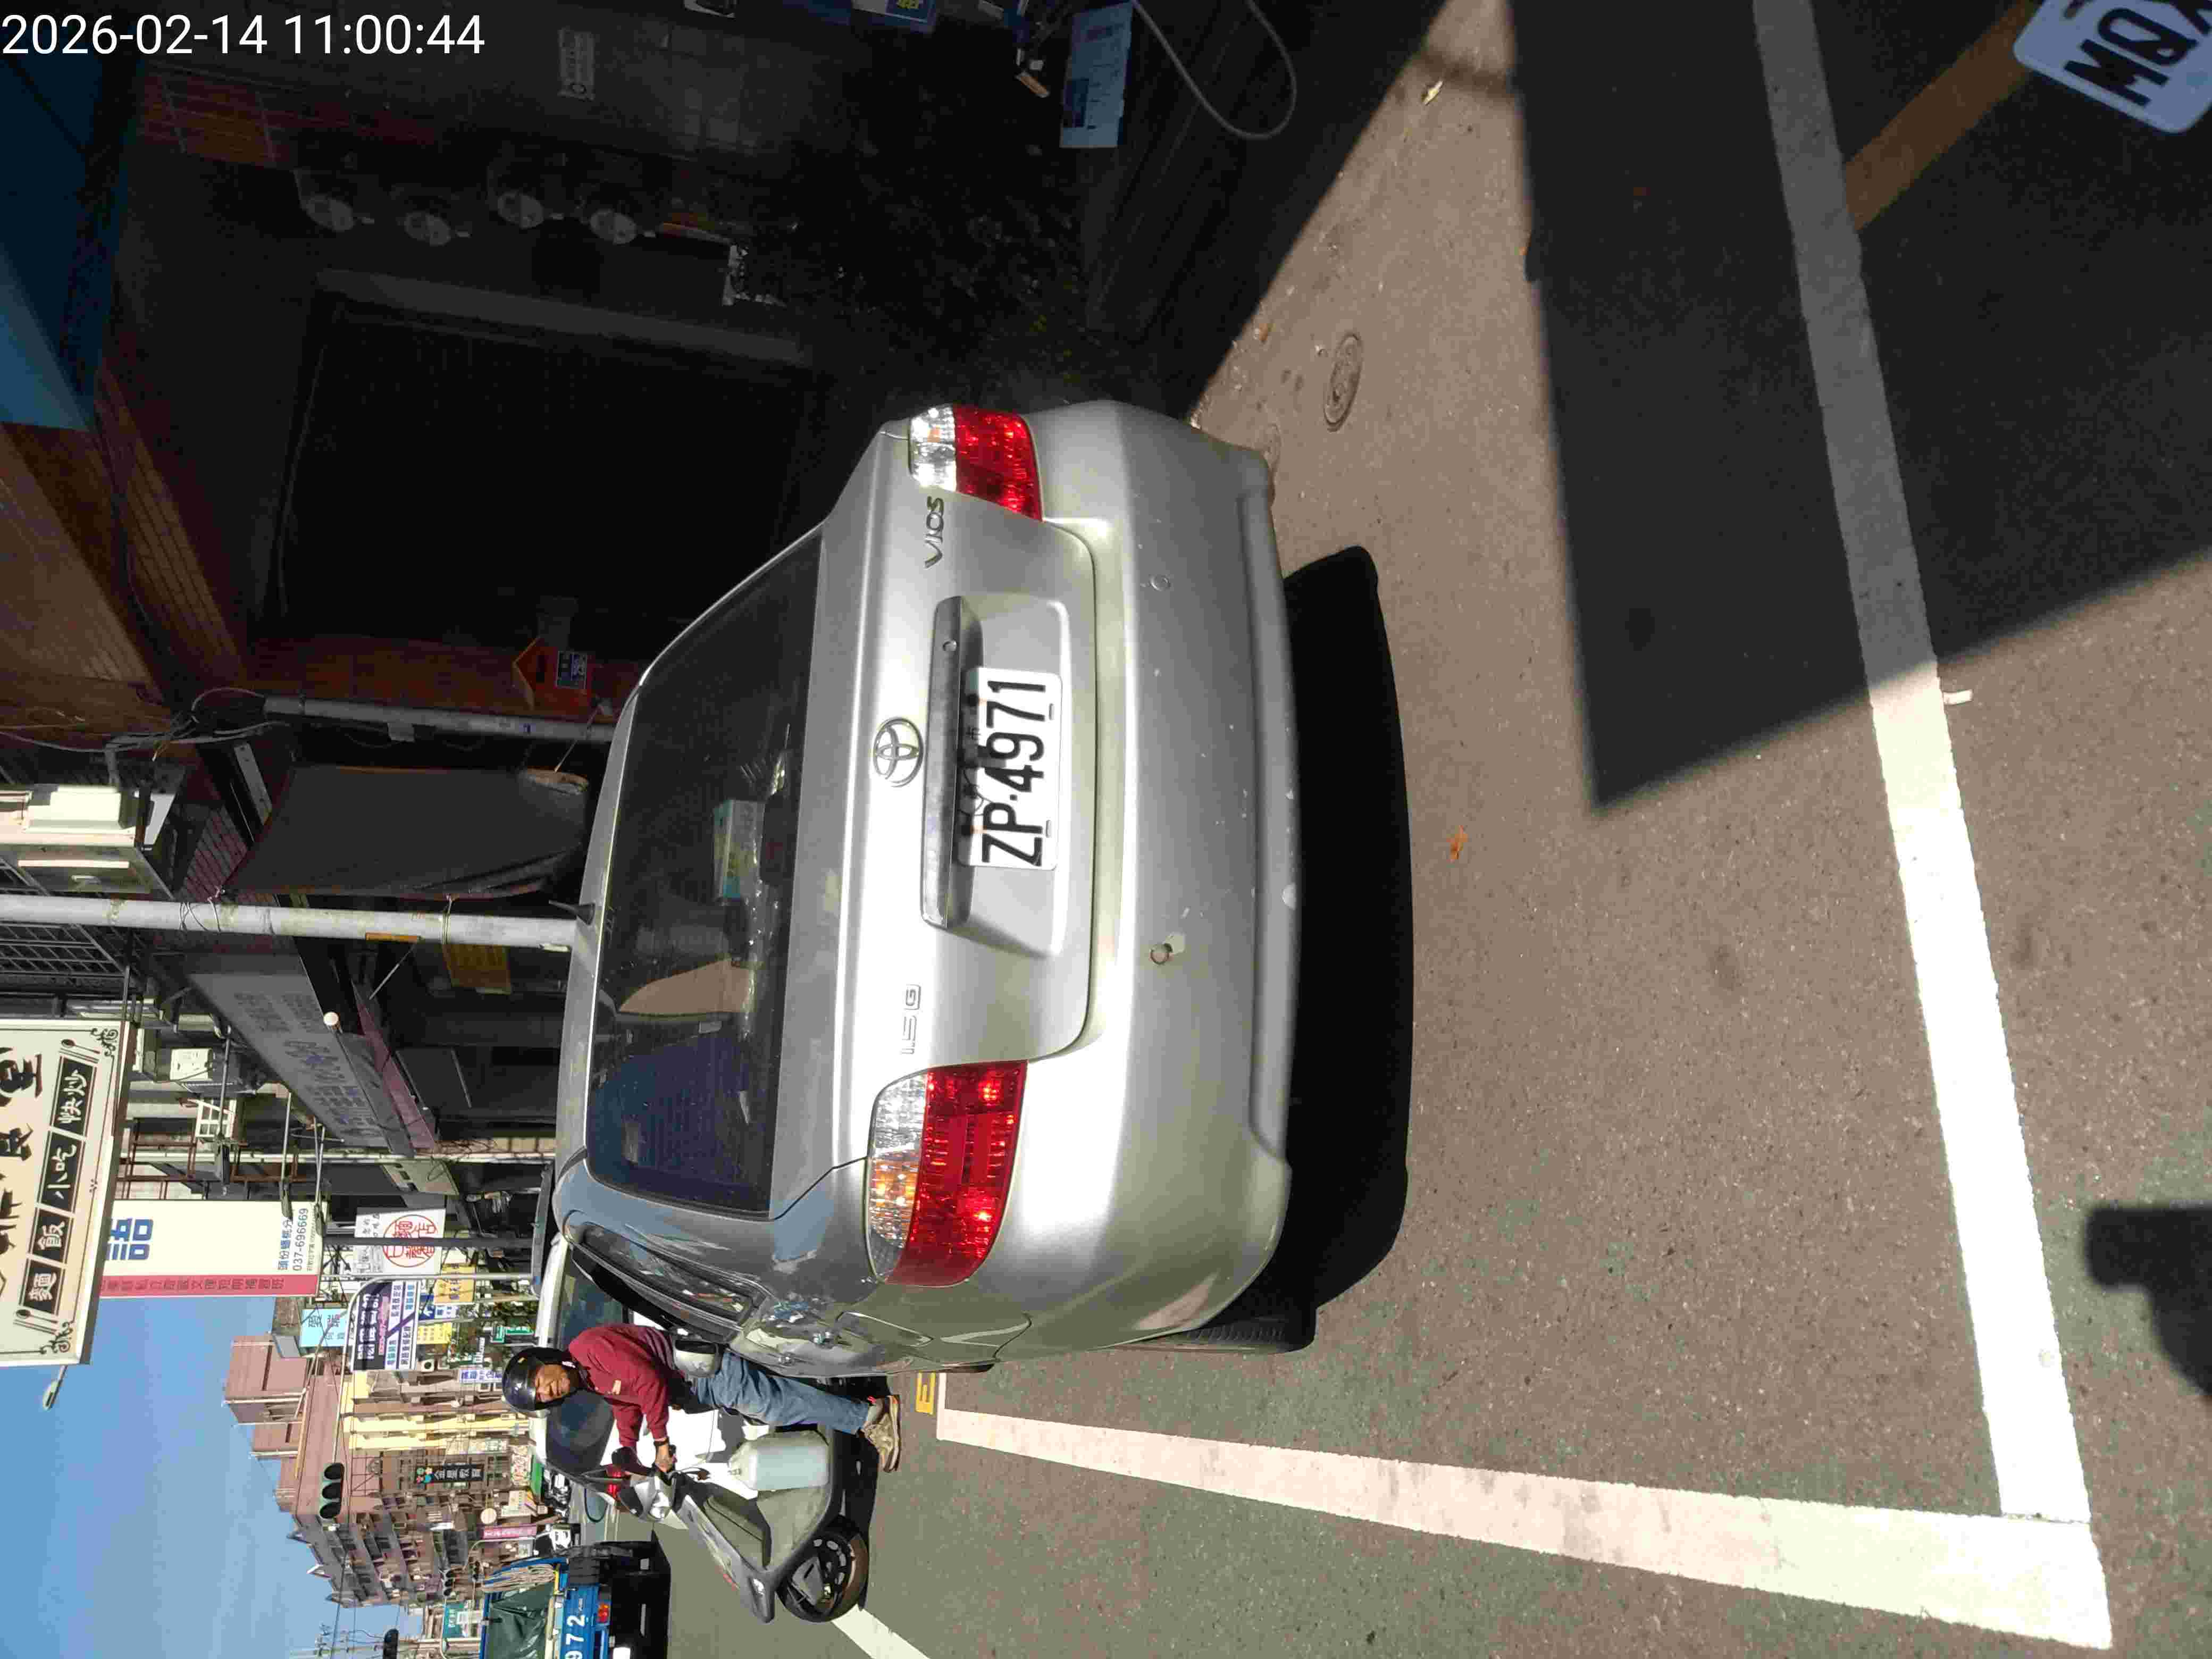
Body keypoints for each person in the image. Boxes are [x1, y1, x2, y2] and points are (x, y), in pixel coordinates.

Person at [502, 1326, 901, 1472]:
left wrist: (661, 1442)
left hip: (704, 1373)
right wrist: (628, 1448)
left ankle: (871, 1417)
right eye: (541, 1397)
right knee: (781, 1396)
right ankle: (859, 1405)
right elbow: (626, 1403)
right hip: (699, 1390)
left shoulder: (589, 1348)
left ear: (545, 1361)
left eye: (540, 1381)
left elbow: (646, 1379)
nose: (547, 1391)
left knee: (776, 1405)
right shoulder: (588, 1379)